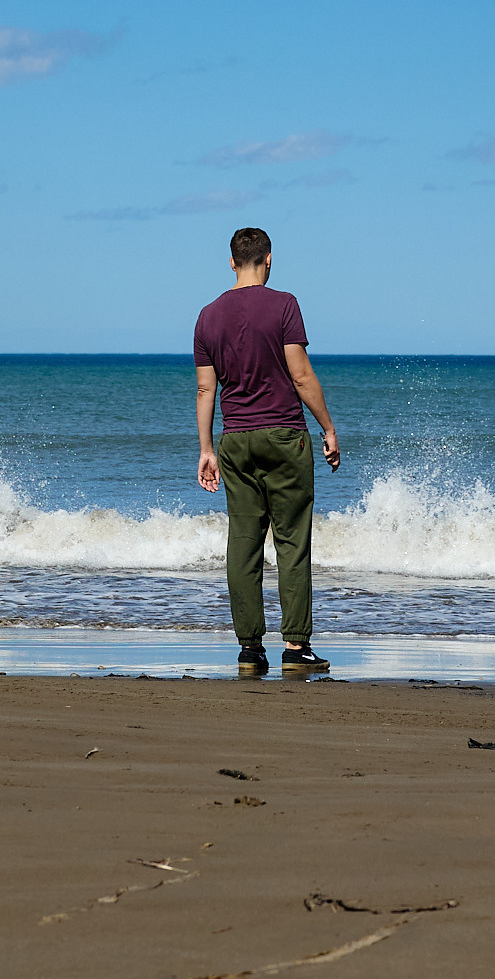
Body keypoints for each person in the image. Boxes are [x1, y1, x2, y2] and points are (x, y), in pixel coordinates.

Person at [193, 226, 341, 674]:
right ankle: (296, 649)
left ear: (232, 261)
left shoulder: (207, 316)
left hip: (235, 439)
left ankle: (249, 649)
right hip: (283, 435)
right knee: (292, 540)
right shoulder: (284, 305)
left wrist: (206, 450)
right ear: (269, 259)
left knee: (243, 543)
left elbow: (205, 390)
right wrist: (329, 428)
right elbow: (300, 375)